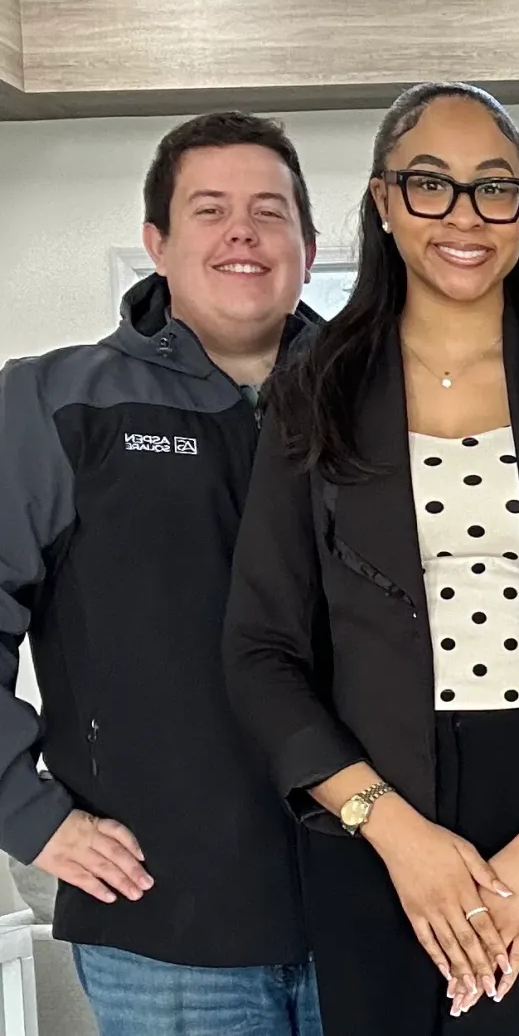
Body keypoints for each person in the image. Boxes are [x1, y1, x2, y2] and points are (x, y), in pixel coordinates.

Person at [224, 82, 519, 1034]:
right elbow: (260, 651)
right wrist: (397, 835)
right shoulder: (314, 390)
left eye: (494, 186)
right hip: (373, 807)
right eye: (430, 183)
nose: (465, 215)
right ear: (383, 200)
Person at [0, 112, 323, 1035]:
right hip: (164, 928)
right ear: (158, 243)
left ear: (307, 248)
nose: (242, 233)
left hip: (372, 912)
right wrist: (28, 814)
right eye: (210, 209)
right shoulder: (55, 402)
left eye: (269, 212)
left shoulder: (374, 404)